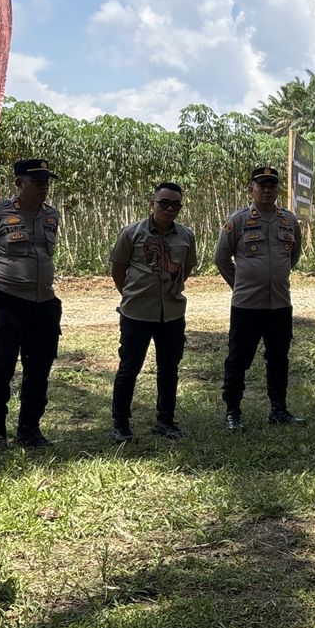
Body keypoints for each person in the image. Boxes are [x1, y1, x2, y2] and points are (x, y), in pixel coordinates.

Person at [0, 158, 63, 450]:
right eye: (37, 182)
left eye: (46, 182)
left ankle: (29, 431)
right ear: (19, 183)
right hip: (8, 303)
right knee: (0, 368)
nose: (43, 188)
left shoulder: (51, 216)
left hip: (44, 304)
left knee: (39, 370)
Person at [216, 164, 305, 431]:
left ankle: (278, 409)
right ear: (251, 189)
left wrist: (274, 276)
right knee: (238, 359)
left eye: (272, 186)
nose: (267, 190)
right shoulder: (239, 220)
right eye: (261, 185)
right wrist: (240, 284)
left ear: (277, 189)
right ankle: (233, 411)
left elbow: (293, 255)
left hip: (279, 304)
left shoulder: (288, 221)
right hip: (247, 306)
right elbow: (221, 258)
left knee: (279, 358)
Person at [107, 182, 197, 443]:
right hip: (136, 312)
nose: (169, 209)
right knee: (129, 367)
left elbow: (187, 268)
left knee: (169, 368)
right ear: (152, 203)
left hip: (171, 313)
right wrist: (132, 294)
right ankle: (121, 424)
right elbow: (118, 269)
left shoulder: (185, 235)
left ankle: (165, 420)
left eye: (175, 204)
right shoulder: (132, 233)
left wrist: (171, 287)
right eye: (164, 203)